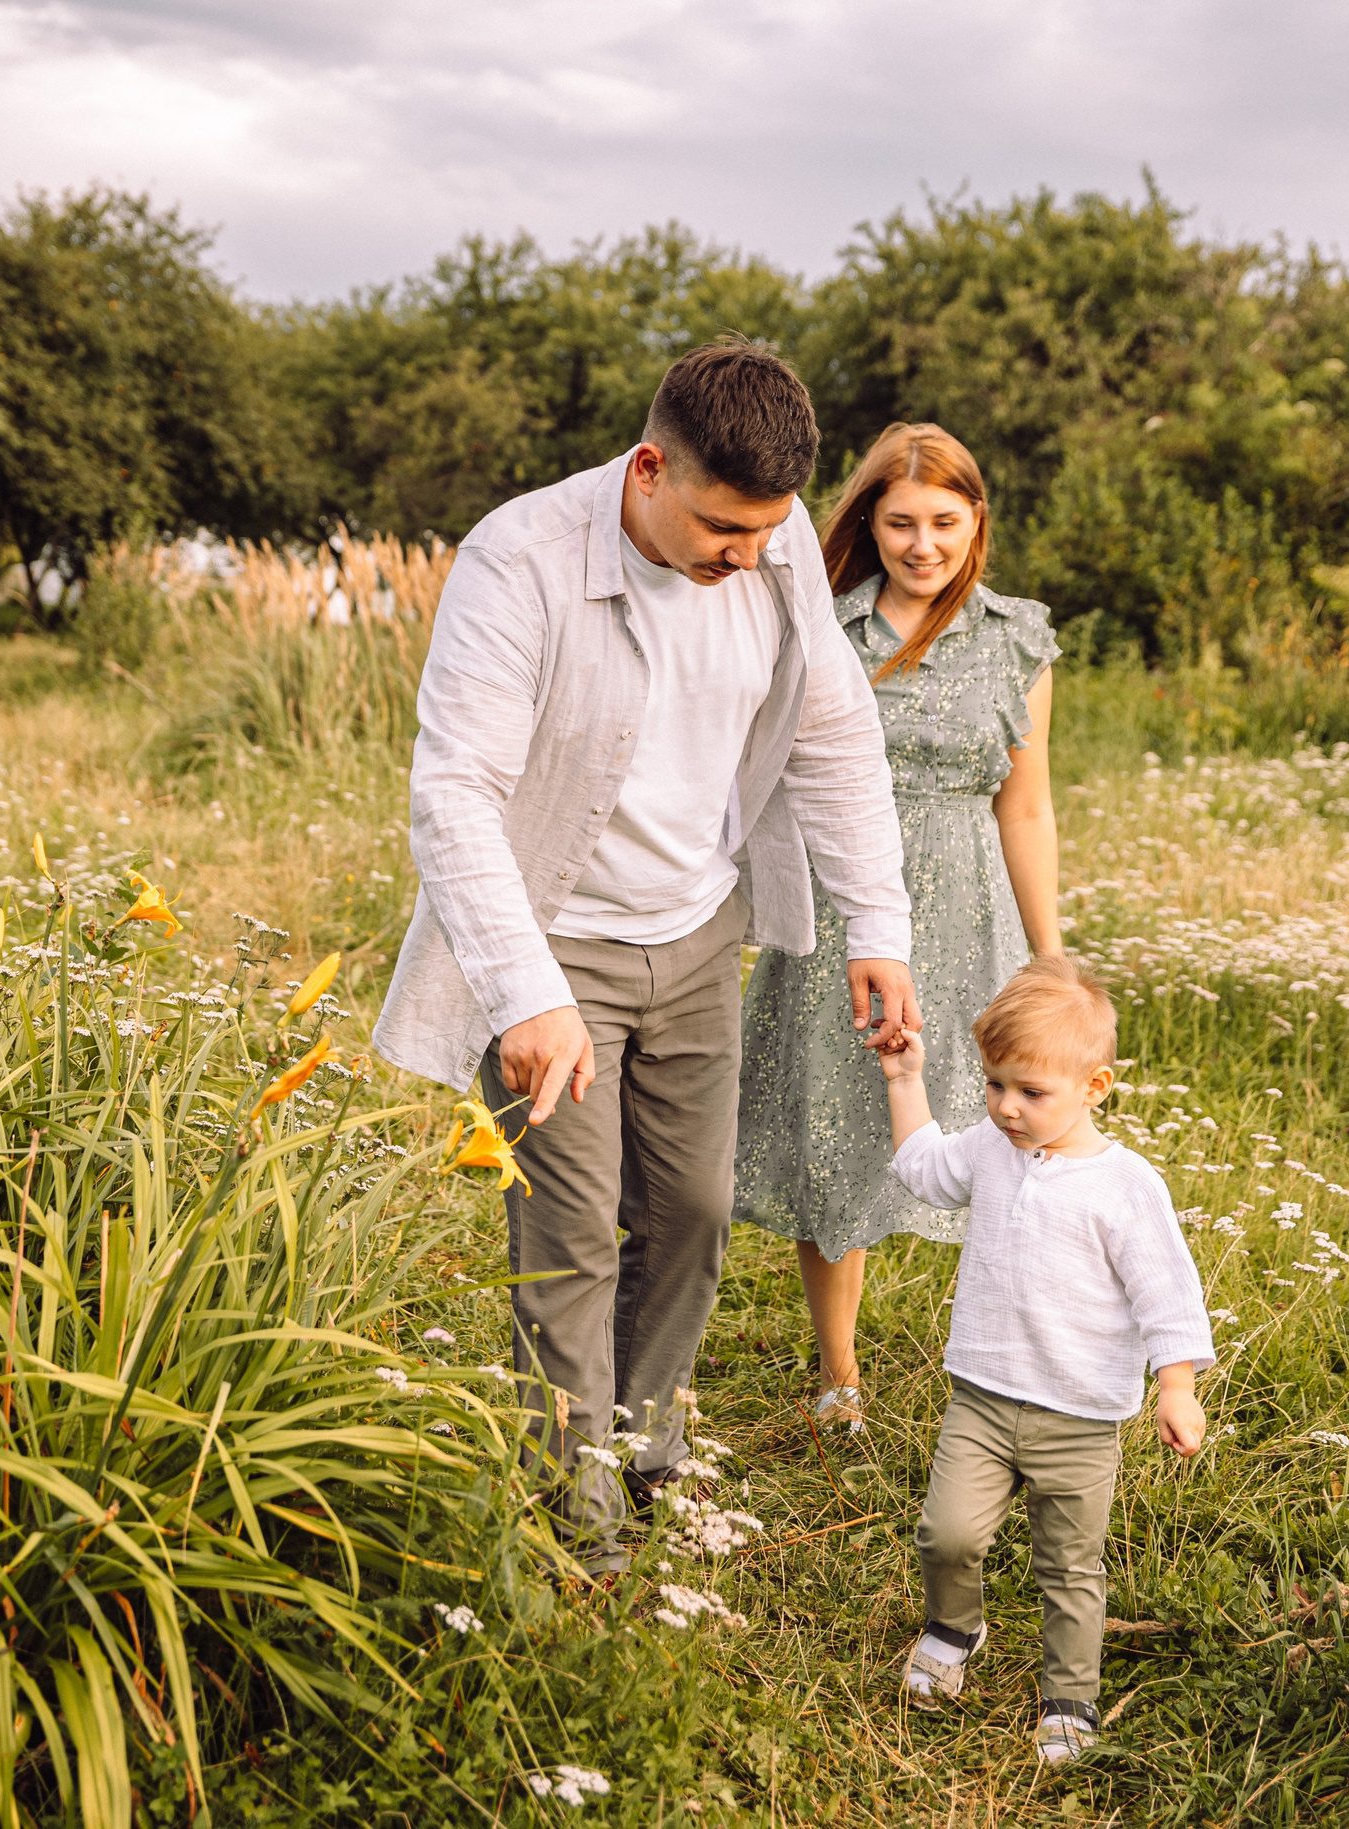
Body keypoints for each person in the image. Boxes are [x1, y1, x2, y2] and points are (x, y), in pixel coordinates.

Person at [374, 339, 920, 1567]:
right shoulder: (518, 560)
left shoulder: (770, 547)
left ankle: (643, 1436)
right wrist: (524, 993)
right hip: (553, 938)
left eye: (766, 530)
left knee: (693, 1211)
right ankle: (576, 1509)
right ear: (647, 467)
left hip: (697, 928)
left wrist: (873, 923)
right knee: (568, 1231)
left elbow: (834, 738)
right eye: (724, 527)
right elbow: (454, 793)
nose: (749, 555)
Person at [733, 423, 1064, 1433]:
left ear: (976, 523)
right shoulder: (821, 630)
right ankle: (839, 1375)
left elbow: (1027, 805)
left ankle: (1013, 1362)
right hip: (846, 917)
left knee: (1009, 1132)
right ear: (868, 524)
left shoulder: (1017, 637)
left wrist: (1051, 958)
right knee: (835, 1130)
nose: (924, 544)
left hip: (972, 908)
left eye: (944, 522)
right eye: (900, 522)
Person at [872, 957, 1213, 1761]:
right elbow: (923, 1169)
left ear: (1094, 1086)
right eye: (995, 1086)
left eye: (1031, 1092)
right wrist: (903, 1079)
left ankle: (1069, 1697)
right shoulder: (991, 1149)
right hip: (983, 1399)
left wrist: (1177, 1384)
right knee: (945, 1534)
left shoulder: (1126, 1187)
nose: (1007, 1108)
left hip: (1079, 1418)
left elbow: (1167, 1292)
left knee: (1070, 1567)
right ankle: (955, 1627)